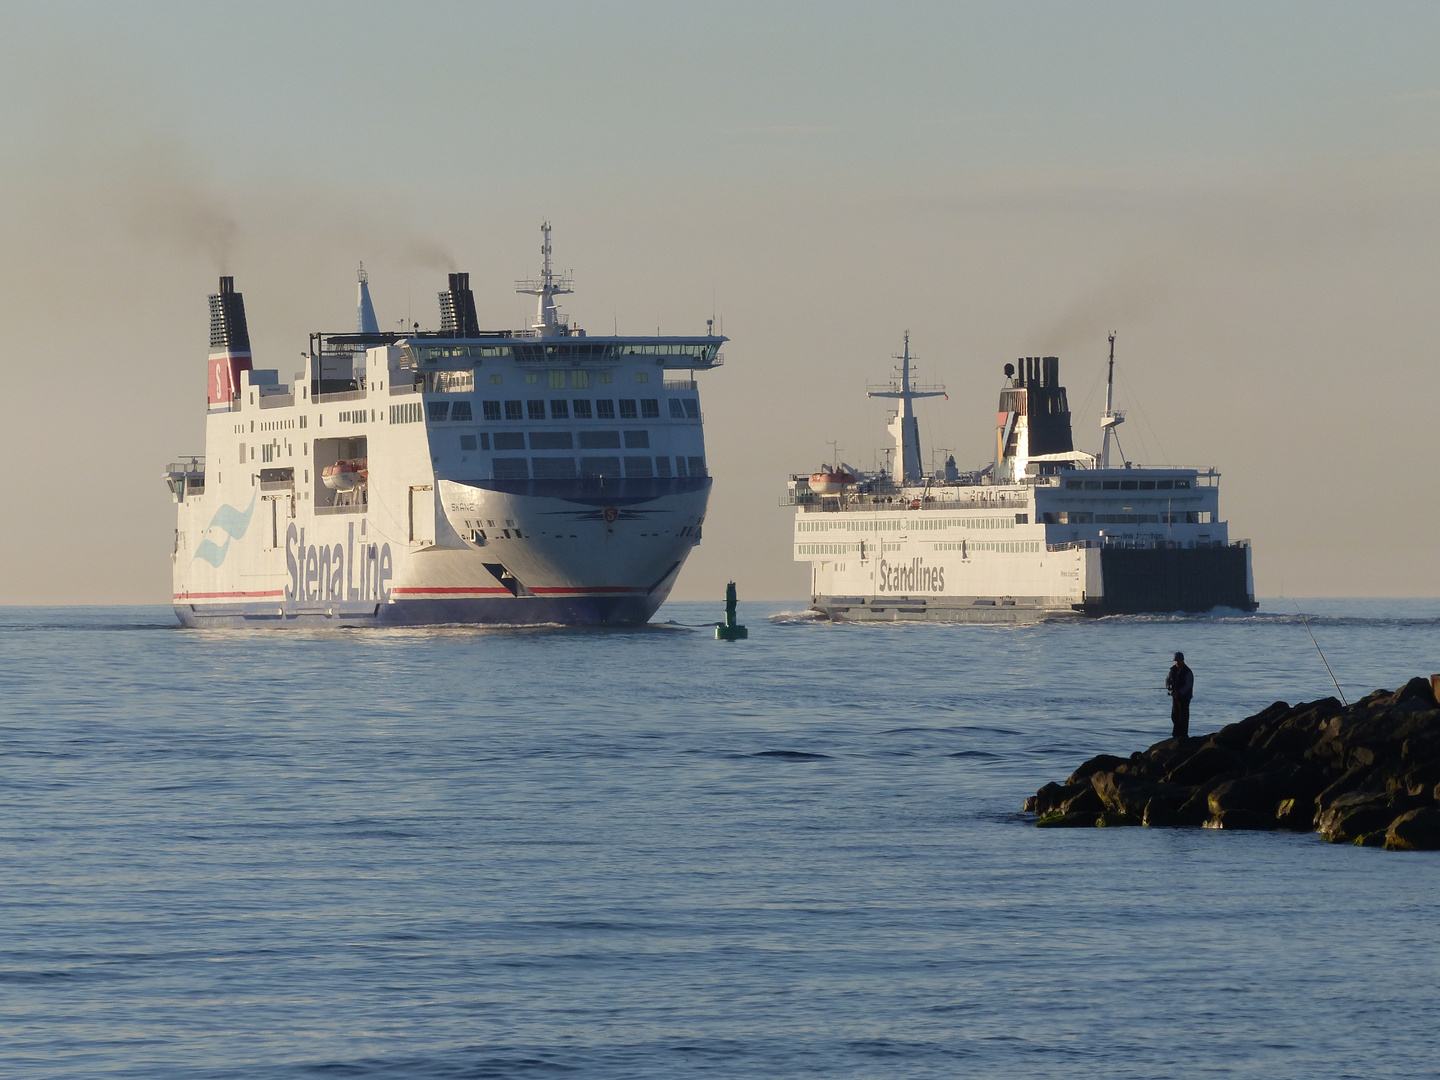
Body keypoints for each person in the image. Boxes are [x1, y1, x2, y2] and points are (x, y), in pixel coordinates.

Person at [1165, 652, 1194, 739]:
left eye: (1178, 661)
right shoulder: (1172, 670)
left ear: (1182, 660)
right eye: (1175, 661)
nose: (1176, 662)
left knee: (1183, 717)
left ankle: (1183, 735)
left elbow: (1188, 685)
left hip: (1185, 698)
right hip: (1175, 697)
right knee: (1174, 716)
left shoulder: (1187, 672)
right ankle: (1175, 735)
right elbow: (1167, 679)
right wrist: (1168, 685)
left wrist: (1179, 692)